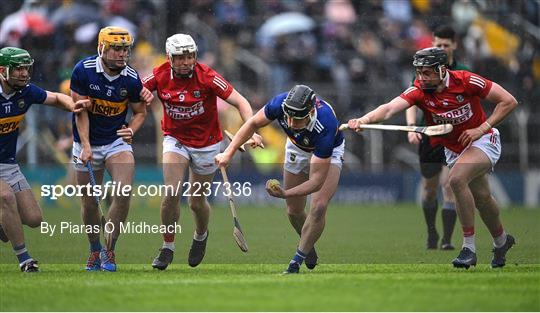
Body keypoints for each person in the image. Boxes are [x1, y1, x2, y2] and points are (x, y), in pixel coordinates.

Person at [348, 47, 517, 269]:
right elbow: (389, 108)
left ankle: (469, 248)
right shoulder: (419, 90)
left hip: (483, 140)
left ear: (441, 69)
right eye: (419, 72)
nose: (421, 78)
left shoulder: (466, 80)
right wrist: (364, 119)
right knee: (483, 198)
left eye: (426, 72)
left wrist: (481, 128)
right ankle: (502, 241)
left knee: (455, 180)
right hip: (455, 149)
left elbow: (509, 101)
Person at [142, 33, 262, 270]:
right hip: (175, 139)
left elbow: (240, 101)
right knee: (171, 192)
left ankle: (200, 235)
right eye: (181, 57)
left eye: (190, 56)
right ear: (170, 58)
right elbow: (129, 90)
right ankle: (167, 246)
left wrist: (252, 130)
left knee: (196, 202)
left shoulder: (207, 76)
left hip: (207, 144)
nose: (187, 61)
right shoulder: (159, 75)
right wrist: (139, 95)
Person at [216, 84, 345, 274]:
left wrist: (285, 193)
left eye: (297, 119)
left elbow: (317, 181)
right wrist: (228, 153)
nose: (291, 123)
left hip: (329, 153)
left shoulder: (326, 124)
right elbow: (252, 123)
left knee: (318, 207)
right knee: (294, 211)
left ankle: (297, 260)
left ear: (310, 113)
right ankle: (308, 243)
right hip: (295, 147)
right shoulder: (280, 103)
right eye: (288, 117)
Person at [70, 26, 153, 272]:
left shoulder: (131, 77)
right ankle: (95, 250)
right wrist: (85, 146)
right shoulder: (83, 71)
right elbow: (79, 112)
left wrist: (133, 129)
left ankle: (110, 249)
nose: (121, 54)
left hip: (116, 141)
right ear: (102, 49)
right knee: (89, 204)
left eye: (125, 49)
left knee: (124, 191)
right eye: (116, 49)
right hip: (85, 142)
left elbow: (140, 112)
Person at [0, 47, 89, 272]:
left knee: (34, 218)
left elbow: (57, 97)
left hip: (8, 164)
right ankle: (25, 259)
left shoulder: (26, 92)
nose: (23, 73)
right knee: (5, 197)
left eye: (26, 68)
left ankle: (3, 221)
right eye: (17, 68)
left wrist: (73, 105)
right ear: (2, 71)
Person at [405, 25, 471, 250]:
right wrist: (412, 126)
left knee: (449, 185)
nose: (442, 48)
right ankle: (432, 232)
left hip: (455, 138)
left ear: (454, 45)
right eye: (438, 44)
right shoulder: (425, 67)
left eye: (445, 44)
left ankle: (448, 240)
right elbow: (409, 100)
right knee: (430, 188)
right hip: (430, 136)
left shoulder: (462, 72)